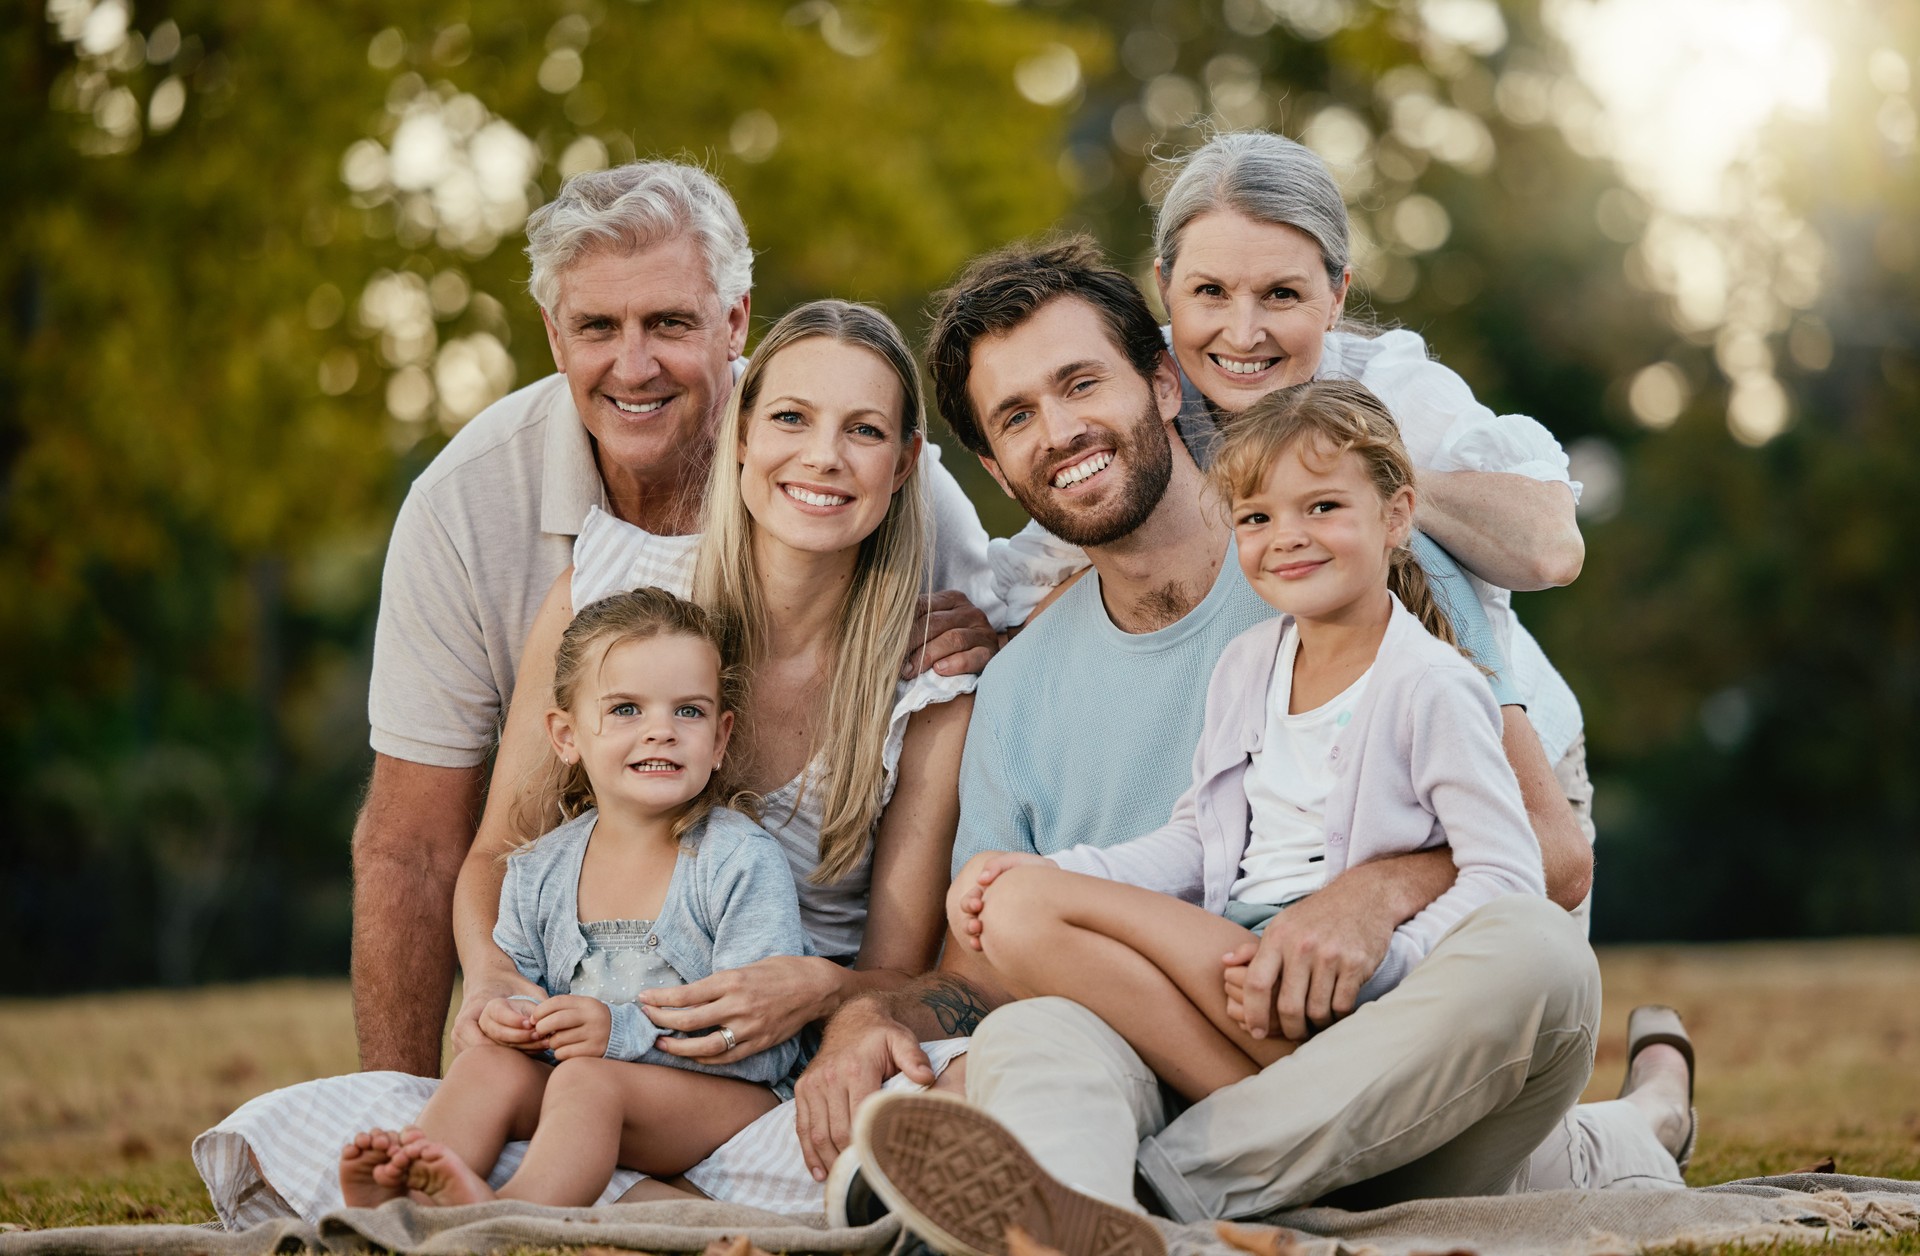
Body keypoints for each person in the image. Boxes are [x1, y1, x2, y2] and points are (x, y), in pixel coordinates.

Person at [801, 237, 1684, 1252]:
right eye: (1017, 416)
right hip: (1171, 1060)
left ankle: (1150, 1199)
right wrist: (878, 1014)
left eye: (1081, 380)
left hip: (1387, 1055)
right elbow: (986, 958)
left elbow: (1552, 855)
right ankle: (1088, 1220)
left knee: (1541, 963)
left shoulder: (1350, 561)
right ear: (998, 469)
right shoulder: (1017, 688)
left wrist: (1377, 890)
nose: (1061, 429)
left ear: (1164, 381)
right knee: (1035, 1031)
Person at [195, 300, 976, 1226]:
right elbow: (500, 853)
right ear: (738, 435)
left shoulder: (928, 690)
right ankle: (480, 1182)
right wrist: (491, 984)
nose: (822, 458)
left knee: (924, 1123)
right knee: (312, 1114)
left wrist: (818, 988)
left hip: (764, 1083)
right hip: (574, 1053)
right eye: (791, 419)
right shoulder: (613, 605)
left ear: (906, 465)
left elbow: (895, 974)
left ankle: (576, 1202)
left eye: (864, 431)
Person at [353, 160, 999, 1078]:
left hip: (781, 1048)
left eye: (667, 322)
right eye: (596, 327)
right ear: (552, 333)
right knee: (511, 1101)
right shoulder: (506, 527)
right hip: (587, 1017)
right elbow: (420, 843)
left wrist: (995, 643)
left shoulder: (888, 502)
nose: (634, 364)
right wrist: (448, 1041)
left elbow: (1010, 617)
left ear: (734, 324)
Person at [945, 380, 1548, 1110]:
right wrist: (1072, 871)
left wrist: (1393, 962)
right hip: (1239, 958)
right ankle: (1283, 1117)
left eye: (1322, 507)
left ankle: (1252, 1131)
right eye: (1257, 517)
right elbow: (1201, 836)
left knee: (1021, 912)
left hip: (1346, 987)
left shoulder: (1432, 685)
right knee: (1016, 903)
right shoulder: (1250, 664)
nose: (1288, 536)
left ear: (1396, 516)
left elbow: (1509, 872)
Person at [339, 588, 808, 1209]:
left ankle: (516, 1213)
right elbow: (512, 986)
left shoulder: (738, 861)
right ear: (566, 736)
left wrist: (617, 1032)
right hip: (580, 1090)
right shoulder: (538, 870)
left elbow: (765, 1043)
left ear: (720, 739)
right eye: (626, 710)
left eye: (689, 712)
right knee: (489, 1070)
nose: (661, 732)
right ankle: (412, 1190)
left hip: (720, 1098)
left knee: (588, 1082)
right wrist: (506, 1021)